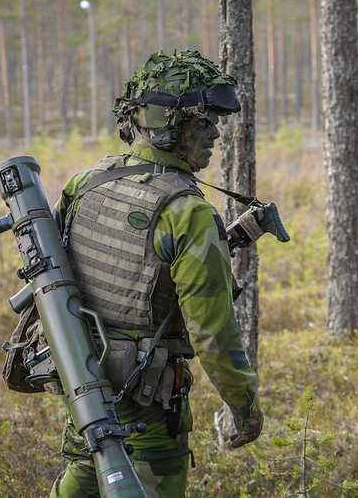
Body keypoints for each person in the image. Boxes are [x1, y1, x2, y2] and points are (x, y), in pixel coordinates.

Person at [49, 49, 262, 497]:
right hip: (147, 418)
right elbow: (213, 334)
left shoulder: (86, 183)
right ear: (170, 125)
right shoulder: (188, 213)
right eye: (204, 122)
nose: (215, 134)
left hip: (84, 398)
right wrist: (244, 406)